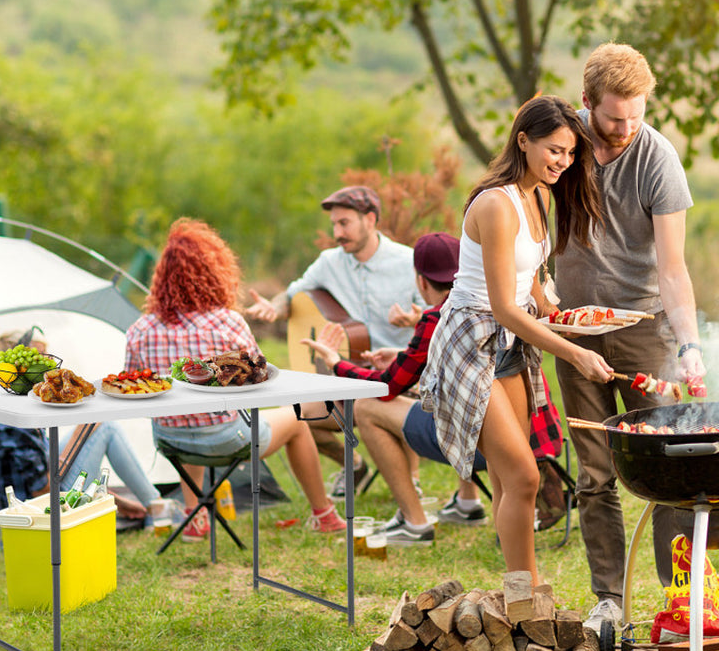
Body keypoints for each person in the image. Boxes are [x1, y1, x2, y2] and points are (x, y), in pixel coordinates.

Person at [419, 95, 611, 587]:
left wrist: (563, 317)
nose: (563, 162)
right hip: (471, 342)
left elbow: (526, 283)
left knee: (512, 478)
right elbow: (502, 305)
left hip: (510, 344)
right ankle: (527, 592)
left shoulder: (539, 196)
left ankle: (519, 589)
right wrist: (572, 351)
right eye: (554, 150)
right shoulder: (495, 204)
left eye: (570, 154)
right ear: (523, 141)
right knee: (525, 477)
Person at [553, 43, 706, 631]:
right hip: (576, 332)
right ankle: (609, 603)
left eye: (636, 115)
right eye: (614, 117)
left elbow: (672, 267)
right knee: (594, 475)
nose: (625, 128)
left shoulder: (658, 158)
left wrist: (688, 344)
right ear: (587, 102)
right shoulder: (562, 150)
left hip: (646, 330)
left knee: (671, 468)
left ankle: (683, 598)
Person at [124, 217, 346, 542]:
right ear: (215, 271)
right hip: (228, 439)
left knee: (187, 412)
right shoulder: (227, 323)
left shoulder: (141, 329)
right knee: (297, 423)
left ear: (162, 278)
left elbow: (135, 388)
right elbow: (259, 379)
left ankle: (195, 515)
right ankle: (324, 515)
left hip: (169, 440)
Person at [300, 232, 488, 547]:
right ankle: (467, 504)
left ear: (421, 282)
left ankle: (415, 524)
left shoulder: (435, 318)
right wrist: (401, 357)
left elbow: (386, 387)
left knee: (368, 407)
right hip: (511, 439)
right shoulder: (485, 304)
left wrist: (335, 363)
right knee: (463, 394)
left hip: (471, 445)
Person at [246, 184, 427, 497]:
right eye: (334, 225)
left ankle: (411, 484)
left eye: (345, 223)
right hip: (345, 377)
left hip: (397, 377)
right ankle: (353, 465)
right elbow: (291, 295)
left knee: (397, 401)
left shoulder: (407, 262)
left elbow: (435, 315)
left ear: (370, 220)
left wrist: (415, 319)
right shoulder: (329, 262)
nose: (337, 232)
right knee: (297, 413)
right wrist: (273, 308)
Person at [0, 329, 169, 524]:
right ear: (18, 367)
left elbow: (46, 464)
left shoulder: (17, 404)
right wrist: (78, 437)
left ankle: (153, 506)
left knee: (98, 426)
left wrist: (116, 501)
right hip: (39, 509)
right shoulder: (12, 425)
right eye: (39, 357)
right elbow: (43, 490)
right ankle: (157, 508)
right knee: (102, 428)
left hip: (46, 488)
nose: (47, 366)